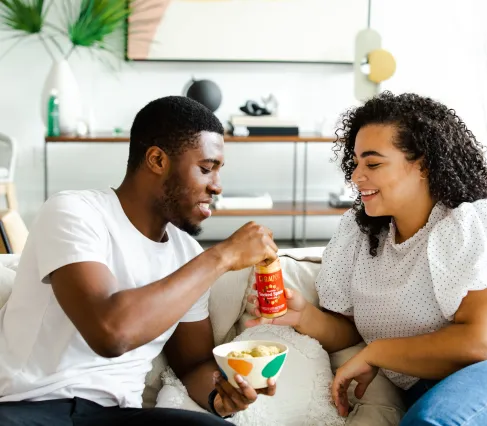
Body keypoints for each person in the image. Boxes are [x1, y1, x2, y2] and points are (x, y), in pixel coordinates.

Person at [247, 92, 487, 425]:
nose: (356, 176)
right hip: (431, 385)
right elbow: (348, 330)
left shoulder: (476, 221)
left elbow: (484, 342)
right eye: (355, 163)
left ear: (425, 165)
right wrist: (303, 316)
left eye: (372, 163)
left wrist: (379, 353)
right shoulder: (359, 235)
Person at [0, 96, 280, 425]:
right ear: (157, 159)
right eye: (206, 169)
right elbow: (110, 333)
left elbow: (192, 366)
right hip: (31, 408)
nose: (217, 186)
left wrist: (222, 394)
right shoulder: (74, 212)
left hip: (120, 417)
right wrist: (222, 255)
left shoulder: (187, 255)